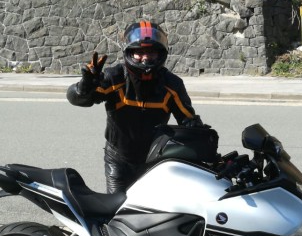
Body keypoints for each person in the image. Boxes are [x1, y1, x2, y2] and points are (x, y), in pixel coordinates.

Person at [67, 21, 203, 194]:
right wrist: (84, 87)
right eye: (139, 52)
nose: (145, 58)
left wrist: (198, 133)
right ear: (129, 52)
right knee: (117, 207)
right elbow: (78, 100)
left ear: (160, 53)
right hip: (118, 159)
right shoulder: (114, 77)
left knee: (153, 208)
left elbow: (188, 121)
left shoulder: (172, 84)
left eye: (151, 52)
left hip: (155, 161)